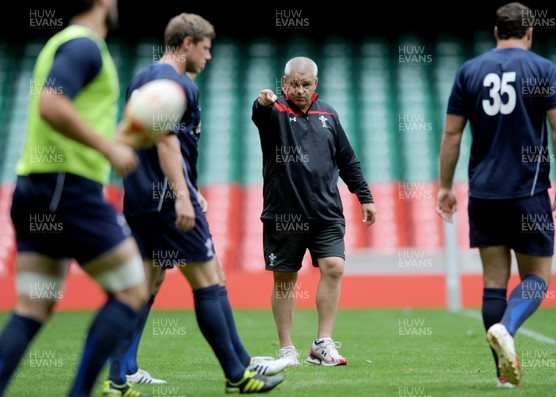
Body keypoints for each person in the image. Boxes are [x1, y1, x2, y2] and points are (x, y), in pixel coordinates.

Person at [104, 13, 286, 395]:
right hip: (168, 200)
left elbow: (140, 136)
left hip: (140, 197)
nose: (209, 56)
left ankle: (119, 376)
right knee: (210, 278)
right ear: (187, 43)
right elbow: (166, 141)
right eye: (206, 48)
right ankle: (239, 372)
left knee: (143, 285)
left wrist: (186, 186)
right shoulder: (172, 84)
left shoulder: (143, 77)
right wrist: (182, 196)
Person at [0, 0, 149, 396]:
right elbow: (52, 104)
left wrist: (122, 139)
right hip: (67, 189)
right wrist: (108, 148)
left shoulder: (61, 42)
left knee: (33, 307)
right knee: (132, 291)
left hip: (36, 187)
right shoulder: (85, 45)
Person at [435, 2, 556, 388]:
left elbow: (451, 135)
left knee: (493, 282)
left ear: (495, 32)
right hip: (528, 192)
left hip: (484, 193)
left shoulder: (469, 71)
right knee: (537, 278)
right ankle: (507, 328)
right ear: (529, 33)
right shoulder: (543, 70)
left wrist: (445, 186)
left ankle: (503, 374)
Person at [252, 56, 377, 367]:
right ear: (284, 83)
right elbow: (259, 114)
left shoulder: (329, 114)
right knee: (285, 280)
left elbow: (348, 159)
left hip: (326, 211)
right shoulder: (275, 112)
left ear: (315, 85)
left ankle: (323, 343)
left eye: (305, 84)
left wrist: (364, 196)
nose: (299, 89)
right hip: (284, 213)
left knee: (334, 266)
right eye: (293, 83)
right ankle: (286, 349)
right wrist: (262, 101)